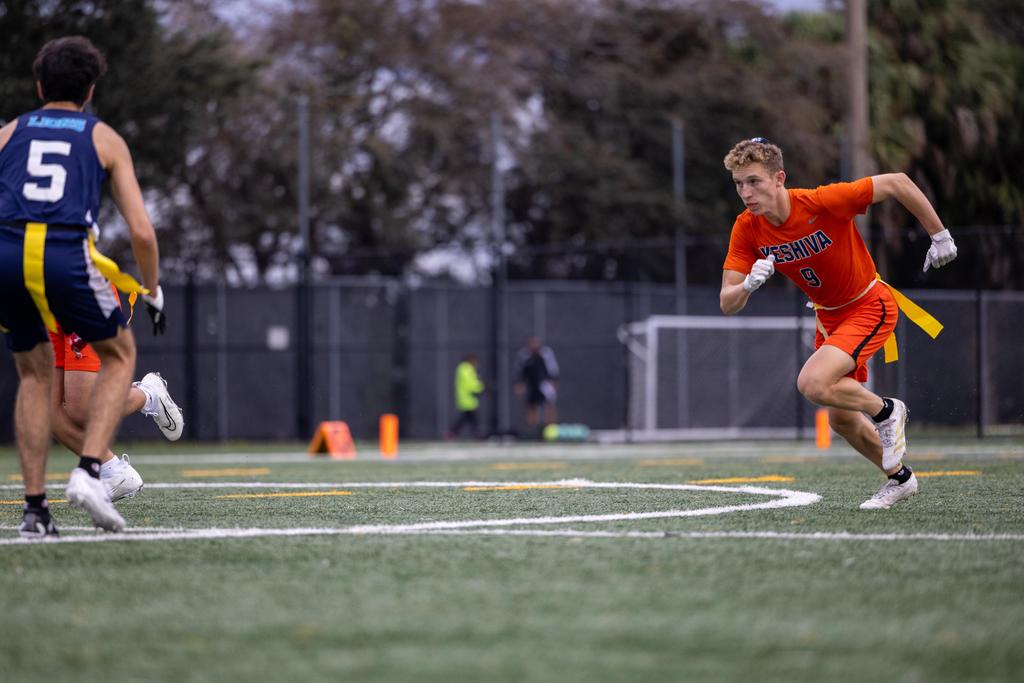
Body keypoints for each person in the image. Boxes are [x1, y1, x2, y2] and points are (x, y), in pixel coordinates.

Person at [720, 137, 957, 510]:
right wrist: (748, 285)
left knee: (812, 383)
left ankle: (887, 411)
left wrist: (939, 235)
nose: (746, 193)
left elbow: (897, 182)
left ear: (779, 178)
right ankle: (900, 479)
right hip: (829, 319)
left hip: (869, 305)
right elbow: (727, 301)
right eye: (739, 184)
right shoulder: (747, 228)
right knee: (842, 421)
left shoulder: (821, 202)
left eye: (754, 181)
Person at [0, 36, 165, 537]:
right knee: (121, 354)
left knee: (33, 378)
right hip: (66, 259)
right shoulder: (103, 138)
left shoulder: (9, 133)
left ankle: (35, 512)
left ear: (38, 85)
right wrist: (152, 290)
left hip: (8, 259)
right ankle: (92, 471)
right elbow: (142, 232)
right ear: (90, 89)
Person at [50, 315, 184, 502]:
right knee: (45, 411)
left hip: (80, 303)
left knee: (83, 411)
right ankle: (114, 472)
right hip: (44, 307)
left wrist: (152, 299)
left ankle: (148, 395)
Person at [513, 336, 560, 433]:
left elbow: (553, 368)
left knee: (549, 404)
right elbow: (520, 370)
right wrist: (519, 383)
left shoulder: (546, 354)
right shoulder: (524, 355)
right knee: (531, 406)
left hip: (545, 383)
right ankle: (532, 430)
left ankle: (551, 429)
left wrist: (554, 381)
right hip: (531, 384)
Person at [448, 353, 484, 439]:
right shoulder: (466, 369)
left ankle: (452, 433)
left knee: (467, 418)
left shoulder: (464, 369)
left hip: (467, 398)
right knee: (470, 418)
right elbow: (470, 383)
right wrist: (480, 387)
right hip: (467, 398)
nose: (476, 364)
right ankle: (477, 433)